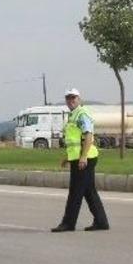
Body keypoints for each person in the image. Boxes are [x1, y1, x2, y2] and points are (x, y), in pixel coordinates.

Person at [52, 88, 110, 232]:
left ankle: (68, 223)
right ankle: (101, 222)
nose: (70, 100)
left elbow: (88, 135)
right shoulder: (73, 115)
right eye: (68, 98)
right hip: (80, 158)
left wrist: (83, 157)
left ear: (79, 99)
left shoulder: (81, 114)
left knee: (75, 192)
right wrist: (68, 158)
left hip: (85, 159)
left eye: (73, 98)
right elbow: (75, 140)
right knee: (89, 191)